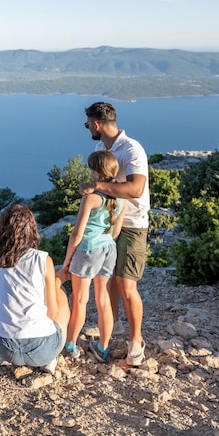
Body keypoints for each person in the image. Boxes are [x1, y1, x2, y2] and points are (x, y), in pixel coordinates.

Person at [79, 101, 151, 366]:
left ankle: (136, 343)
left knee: (126, 284)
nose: (88, 128)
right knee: (107, 278)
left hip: (132, 223)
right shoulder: (100, 149)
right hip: (108, 222)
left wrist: (97, 186)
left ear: (97, 124)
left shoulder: (132, 149)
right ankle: (114, 326)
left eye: (88, 124)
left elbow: (136, 189)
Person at [56, 150, 124, 363]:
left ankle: (70, 345)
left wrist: (67, 261)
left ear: (95, 172)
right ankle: (103, 347)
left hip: (88, 249)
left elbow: (77, 233)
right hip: (109, 248)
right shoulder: (122, 198)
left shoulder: (91, 198)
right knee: (103, 299)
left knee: (80, 300)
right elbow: (116, 232)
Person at [0, 204, 71, 374]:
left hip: (3, 347)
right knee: (60, 294)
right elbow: (53, 312)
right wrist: (57, 280)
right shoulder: (42, 259)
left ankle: (7, 359)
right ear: (31, 229)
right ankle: (50, 359)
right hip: (41, 350)